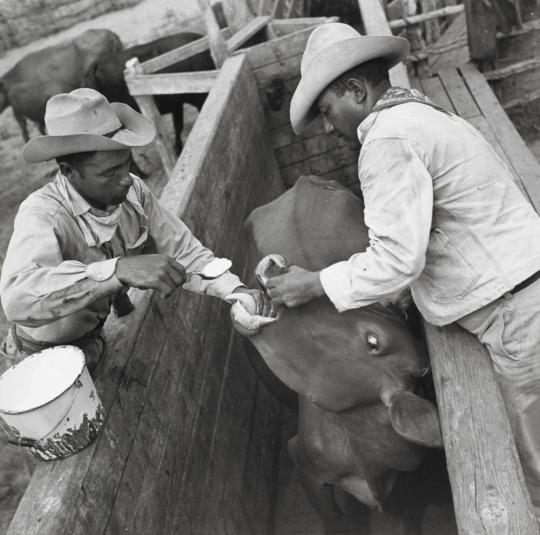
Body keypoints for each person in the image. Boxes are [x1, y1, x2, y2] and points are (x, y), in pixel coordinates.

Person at [264, 22, 540, 519]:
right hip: (518, 289)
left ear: (354, 89)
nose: (329, 127)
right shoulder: (421, 114)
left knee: (534, 457)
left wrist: (316, 281)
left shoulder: (387, 139)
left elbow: (396, 258)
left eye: (327, 110)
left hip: (514, 313)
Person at [0, 88, 271, 373]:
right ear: (68, 171)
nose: (125, 180)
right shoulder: (44, 215)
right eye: (109, 173)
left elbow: (182, 249)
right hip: (39, 360)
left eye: (126, 164)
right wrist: (117, 271)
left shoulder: (134, 192)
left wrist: (236, 291)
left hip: (93, 340)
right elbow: (18, 299)